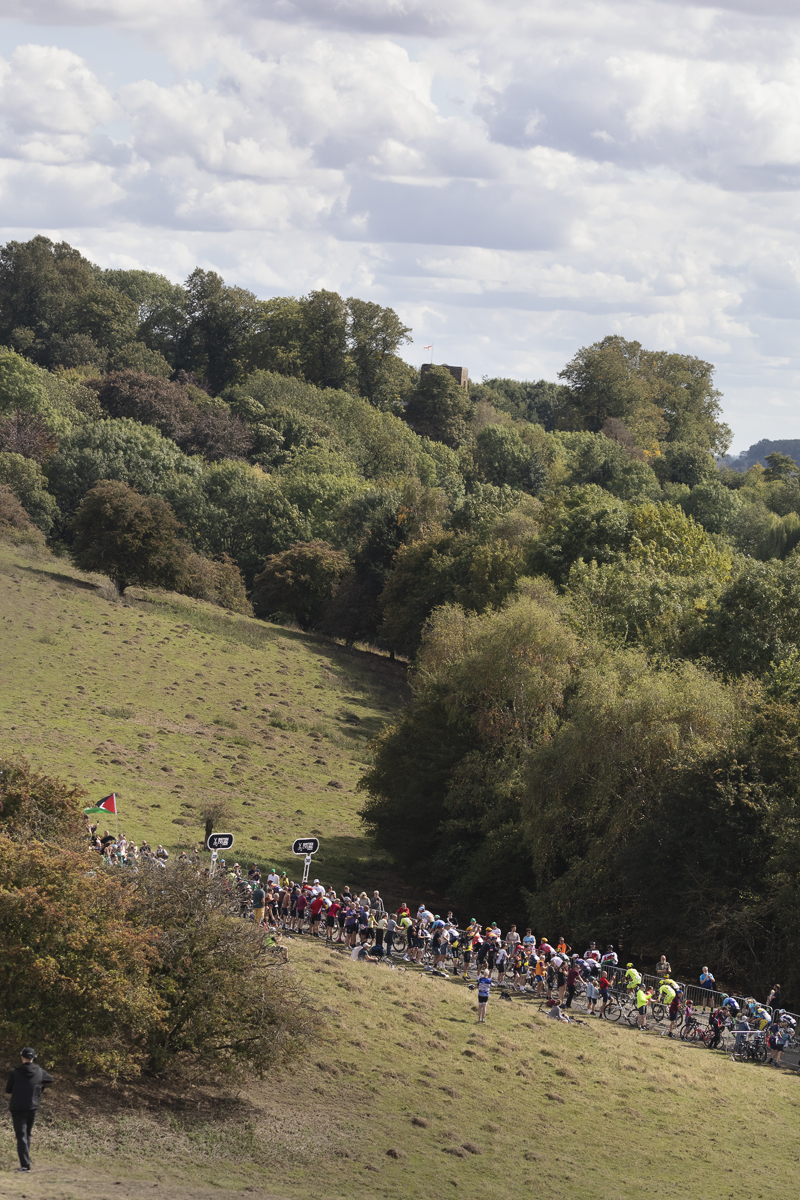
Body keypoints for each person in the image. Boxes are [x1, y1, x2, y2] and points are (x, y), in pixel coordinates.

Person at [6, 1048, 53, 1173]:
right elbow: (50, 1079)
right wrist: (39, 1087)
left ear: (22, 1057)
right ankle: (26, 1162)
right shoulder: (39, 1071)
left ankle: (25, 1166)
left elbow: (8, 1089)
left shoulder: (16, 1072)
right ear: (33, 1058)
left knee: (21, 1136)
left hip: (18, 1108)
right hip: (32, 1107)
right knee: (27, 1134)